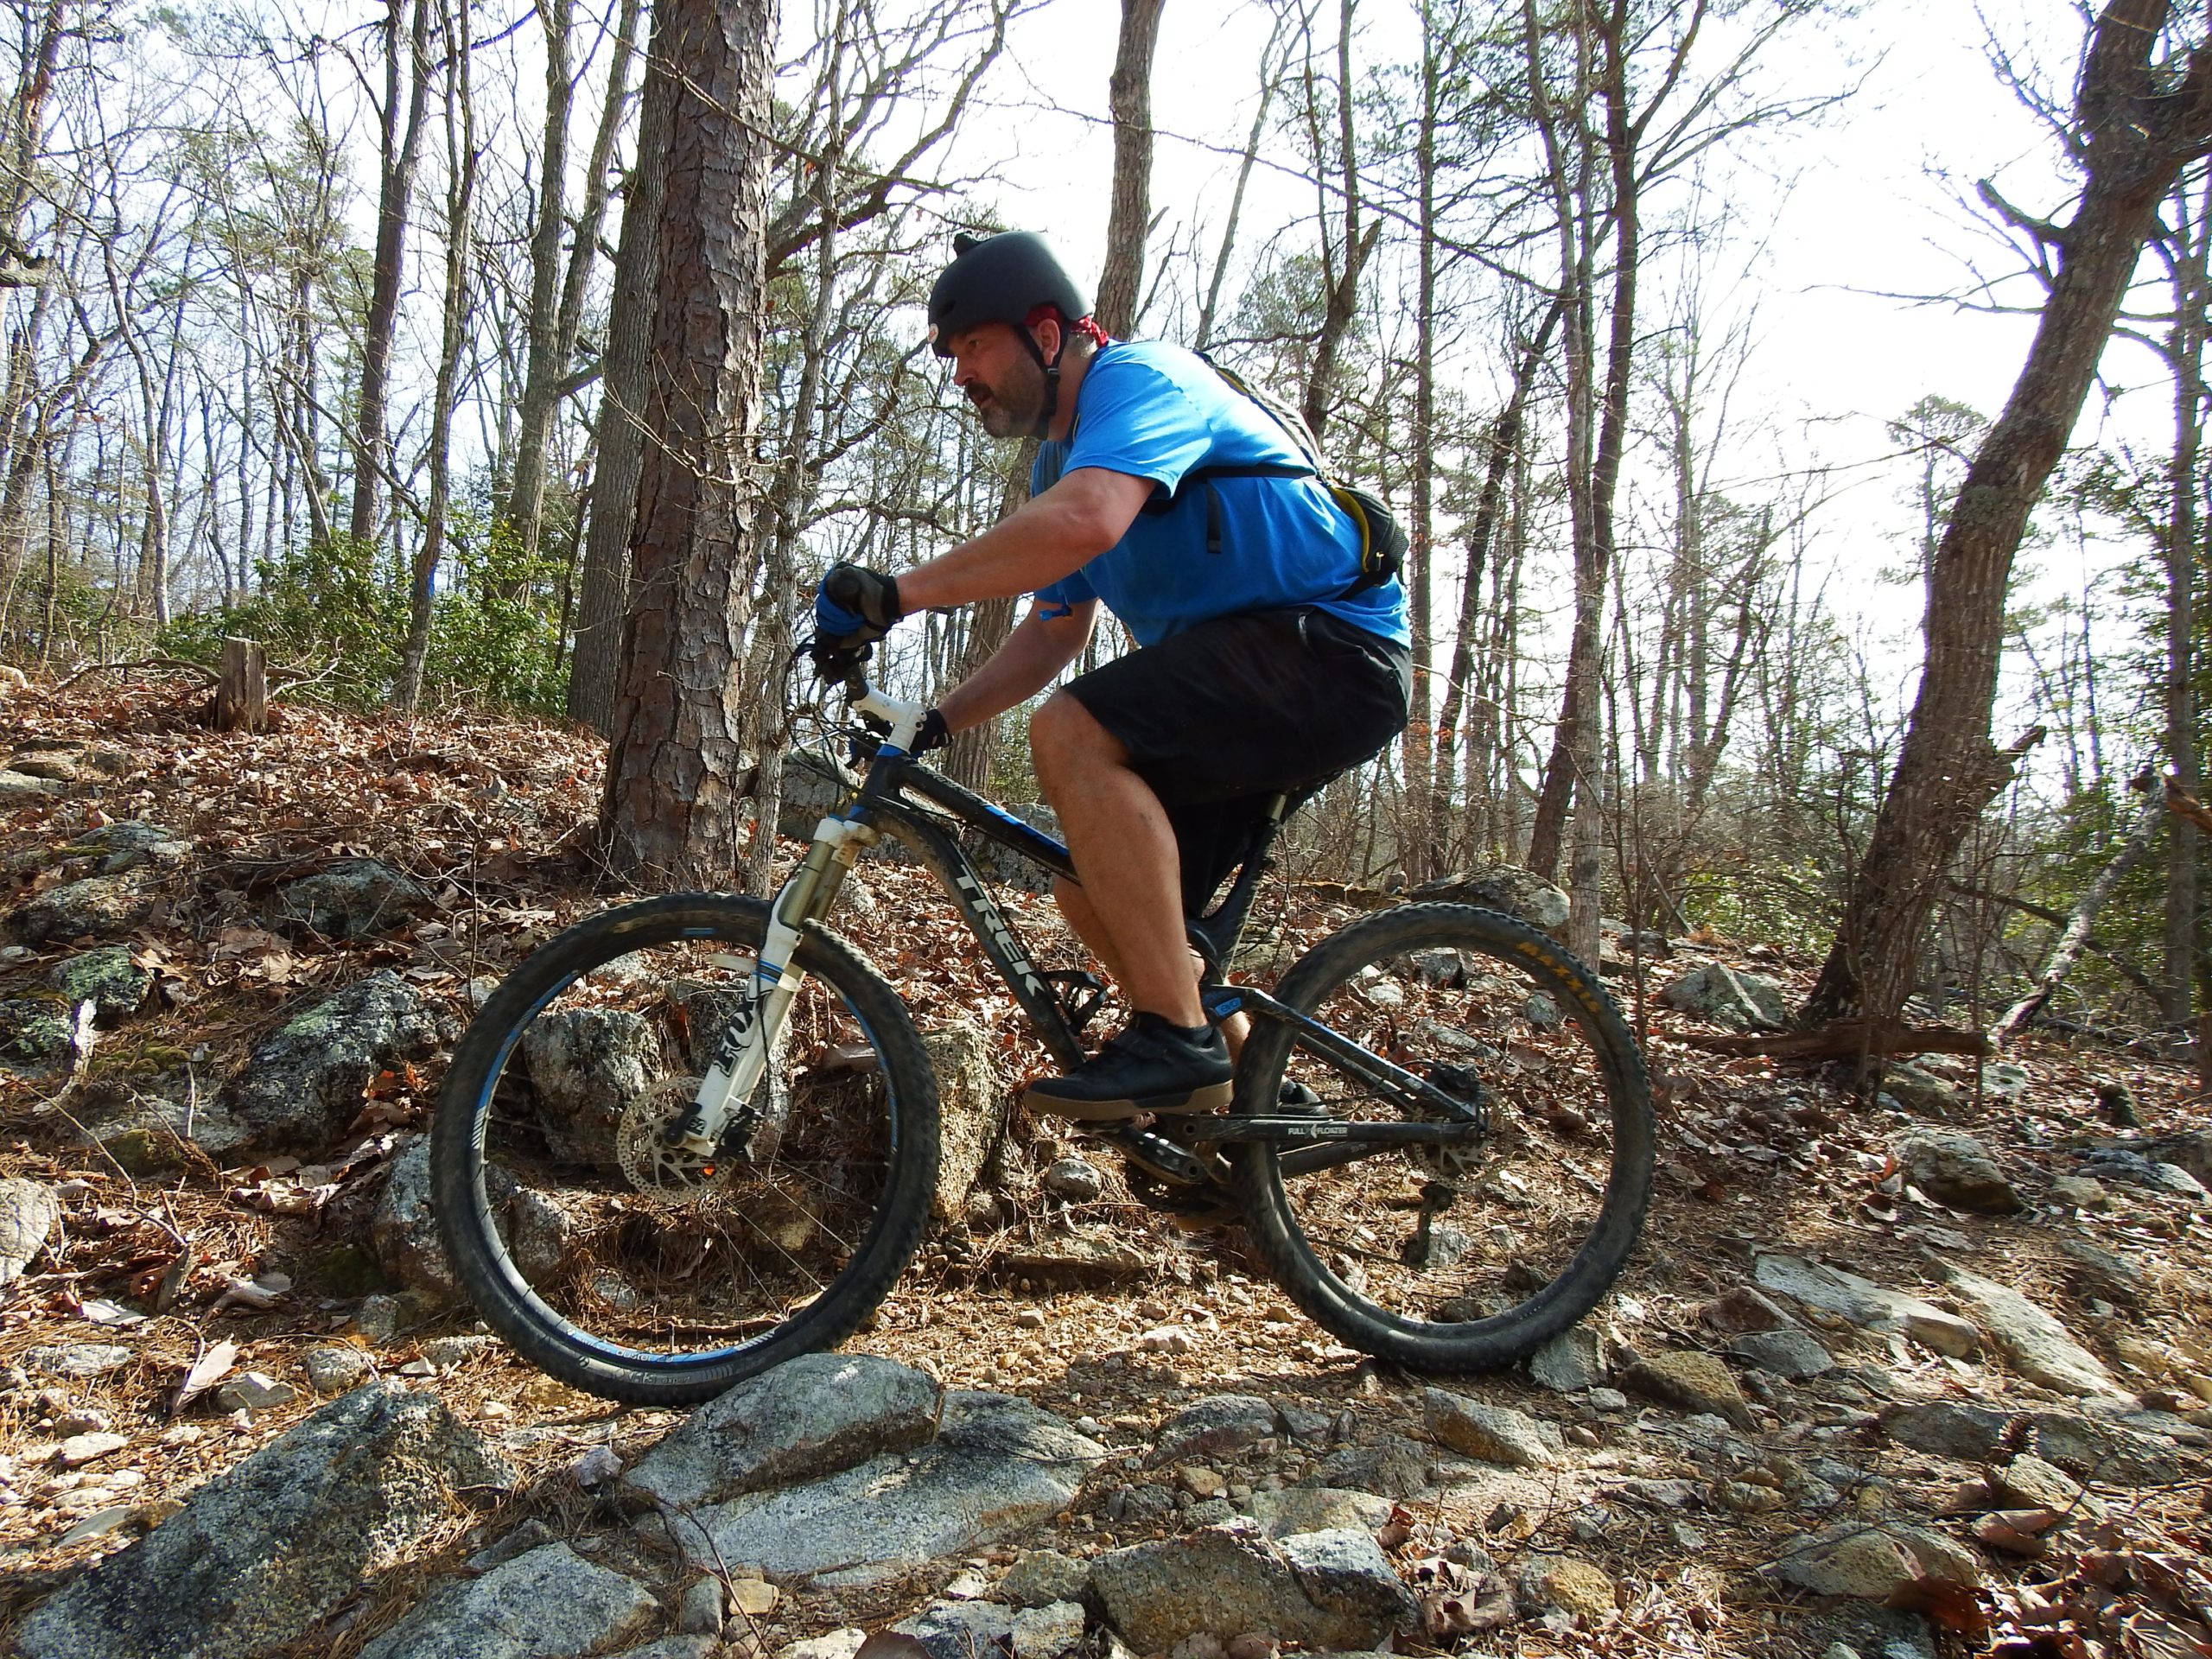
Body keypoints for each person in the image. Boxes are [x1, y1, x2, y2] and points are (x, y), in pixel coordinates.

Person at [815, 230, 1409, 1122]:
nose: (960, 376)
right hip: (1255, 678)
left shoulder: (1144, 382)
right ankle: (1248, 1115)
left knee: (1070, 729)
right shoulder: (1063, 461)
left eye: (973, 347)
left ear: (1047, 334)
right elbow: (1054, 631)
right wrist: (935, 720)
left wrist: (898, 594)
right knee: (1098, 890)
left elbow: (1088, 523)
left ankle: (1174, 1037)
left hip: (1330, 654)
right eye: (952, 357)